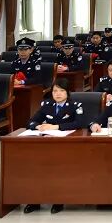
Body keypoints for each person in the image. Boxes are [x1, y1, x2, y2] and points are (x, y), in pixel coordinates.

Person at [25, 78, 86, 214]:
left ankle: (58, 199)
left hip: (68, 145)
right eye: (55, 91)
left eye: (61, 91)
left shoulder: (75, 105)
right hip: (47, 144)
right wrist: (38, 126)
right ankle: (34, 200)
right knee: (35, 166)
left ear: (68, 93)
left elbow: (79, 123)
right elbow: (30, 122)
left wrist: (56, 126)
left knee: (58, 168)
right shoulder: (47, 105)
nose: (58, 94)